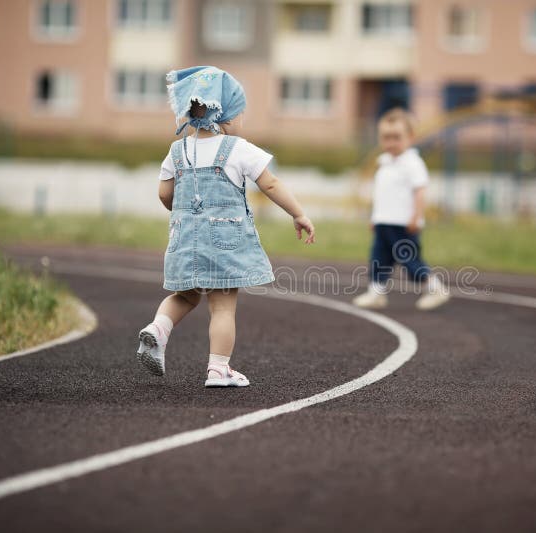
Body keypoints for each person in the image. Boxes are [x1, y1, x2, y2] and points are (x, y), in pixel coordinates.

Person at [137, 66, 315, 387]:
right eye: (241, 114)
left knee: (186, 295)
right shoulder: (239, 148)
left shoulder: (177, 150)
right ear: (227, 117)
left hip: (184, 238)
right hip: (223, 241)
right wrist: (298, 213)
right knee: (222, 307)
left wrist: (179, 211)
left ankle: (159, 328)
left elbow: (165, 193)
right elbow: (271, 184)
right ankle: (218, 370)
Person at [353, 108, 449, 311]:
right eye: (385, 137)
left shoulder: (412, 163)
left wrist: (416, 216)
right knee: (379, 259)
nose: (390, 143)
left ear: (410, 137)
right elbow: (382, 194)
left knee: (410, 261)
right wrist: (375, 217)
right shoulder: (384, 163)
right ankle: (376, 294)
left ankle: (435, 288)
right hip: (384, 222)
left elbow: (420, 191)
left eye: (396, 137)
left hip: (403, 224)